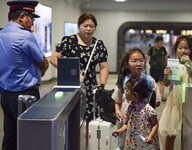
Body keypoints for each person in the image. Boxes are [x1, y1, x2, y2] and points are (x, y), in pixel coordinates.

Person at [50, 12, 109, 149]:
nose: (88, 29)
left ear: (95, 28)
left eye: (91, 26)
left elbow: (104, 66)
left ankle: (86, 146)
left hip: (90, 87)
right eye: (85, 26)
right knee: (71, 118)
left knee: (89, 119)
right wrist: (69, 69)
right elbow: (53, 59)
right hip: (70, 86)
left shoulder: (98, 45)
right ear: (79, 26)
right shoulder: (69, 41)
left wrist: (102, 83)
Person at [0, 1, 49, 150]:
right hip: (26, 96)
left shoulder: (1, 34)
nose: (32, 23)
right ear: (22, 17)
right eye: (31, 19)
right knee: (31, 136)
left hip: (6, 95)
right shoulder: (25, 36)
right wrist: (41, 72)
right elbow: (44, 62)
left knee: (10, 136)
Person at [112, 48, 161, 149]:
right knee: (126, 143)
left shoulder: (149, 80)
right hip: (127, 120)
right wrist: (117, 110)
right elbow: (117, 99)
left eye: (141, 60)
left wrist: (146, 107)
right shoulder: (123, 80)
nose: (138, 63)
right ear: (127, 64)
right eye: (134, 61)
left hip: (145, 123)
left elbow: (157, 101)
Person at [159, 35, 192, 150]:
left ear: (191, 49)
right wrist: (166, 74)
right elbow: (166, 83)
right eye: (180, 48)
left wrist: (190, 63)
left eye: (186, 48)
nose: (183, 51)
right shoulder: (172, 64)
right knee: (170, 134)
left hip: (188, 101)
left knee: (189, 133)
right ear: (176, 49)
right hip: (175, 101)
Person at [113, 77, 160, 150]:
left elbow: (155, 124)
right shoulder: (130, 107)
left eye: (127, 90)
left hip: (145, 143)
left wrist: (150, 136)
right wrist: (120, 131)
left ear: (135, 94)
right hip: (132, 143)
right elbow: (127, 123)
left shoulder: (148, 109)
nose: (124, 92)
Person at [146, 36, 168, 101]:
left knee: (161, 82)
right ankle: (153, 96)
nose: (161, 44)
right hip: (154, 69)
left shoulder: (163, 49)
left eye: (162, 43)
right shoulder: (152, 49)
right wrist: (144, 63)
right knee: (153, 82)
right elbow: (146, 56)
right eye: (160, 43)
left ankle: (161, 96)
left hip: (162, 68)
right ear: (156, 42)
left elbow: (165, 57)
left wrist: (166, 64)